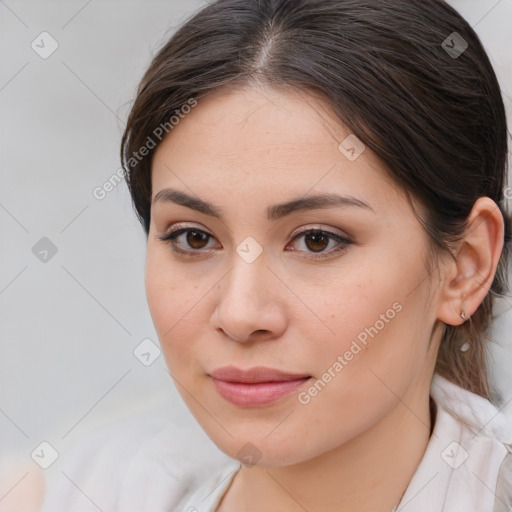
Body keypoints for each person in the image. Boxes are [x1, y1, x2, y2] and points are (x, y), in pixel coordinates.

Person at [42, 0, 512, 510]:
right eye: (193, 238)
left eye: (317, 240)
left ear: (465, 266)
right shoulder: (85, 490)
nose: (240, 315)